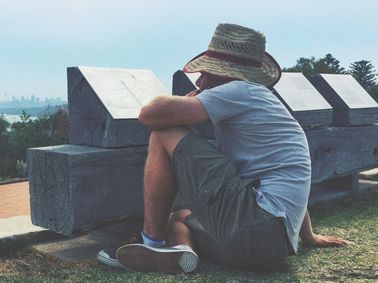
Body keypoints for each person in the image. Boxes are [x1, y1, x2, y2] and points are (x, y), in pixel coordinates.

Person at [98, 23, 349, 273]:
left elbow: (150, 115)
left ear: (222, 73)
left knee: (164, 132)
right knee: (180, 217)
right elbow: (290, 182)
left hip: (253, 225)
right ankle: (182, 253)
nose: (200, 79)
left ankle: (151, 243)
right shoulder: (266, 104)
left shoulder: (239, 91)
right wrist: (308, 237)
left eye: (206, 72)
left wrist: (190, 97)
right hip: (270, 250)